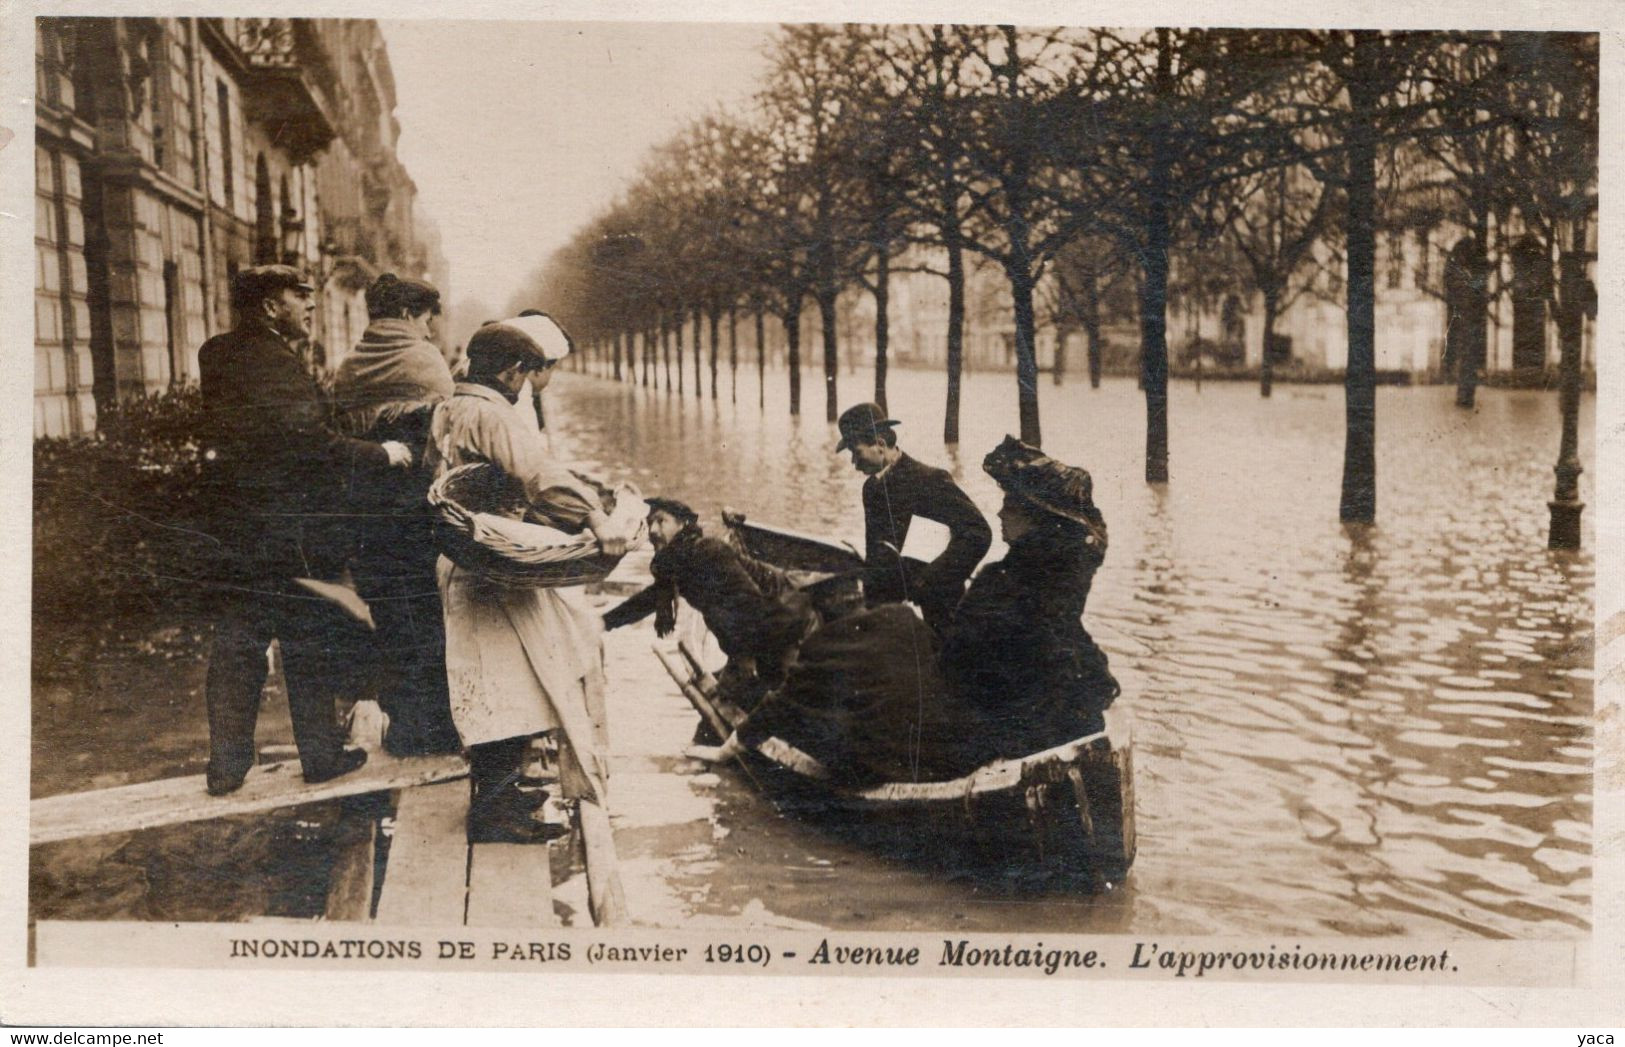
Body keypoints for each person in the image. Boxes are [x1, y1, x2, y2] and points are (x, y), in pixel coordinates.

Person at [197, 265, 416, 796]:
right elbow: (308, 443)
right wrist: (382, 452)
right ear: (271, 307)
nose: (310, 306)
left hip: (235, 525)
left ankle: (226, 766)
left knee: (238, 641)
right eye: (300, 297)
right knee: (308, 637)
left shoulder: (217, 353)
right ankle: (319, 755)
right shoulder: (272, 361)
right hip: (289, 527)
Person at [426, 313, 629, 845]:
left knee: (492, 680)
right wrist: (597, 520)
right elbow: (540, 475)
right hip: (494, 562)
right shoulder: (493, 415)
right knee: (509, 684)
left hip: (463, 555)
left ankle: (500, 793)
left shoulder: (448, 407)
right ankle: (494, 814)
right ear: (514, 372)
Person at [333, 273, 461, 757]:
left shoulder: (349, 367)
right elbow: (444, 444)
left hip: (363, 516)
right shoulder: (425, 363)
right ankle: (434, 730)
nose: (430, 330)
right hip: (415, 515)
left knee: (388, 618)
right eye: (427, 318)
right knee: (428, 616)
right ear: (409, 316)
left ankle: (403, 725)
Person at [938, 436, 1120, 758]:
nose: (999, 514)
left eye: (1009, 507)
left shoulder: (1000, 582)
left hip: (1014, 712)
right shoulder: (1068, 572)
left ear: (1036, 520)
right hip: (1064, 698)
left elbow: (960, 657)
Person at [602, 498, 815, 697]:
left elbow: (752, 605)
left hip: (787, 618)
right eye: (650, 523)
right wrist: (605, 622)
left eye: (661, 521)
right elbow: (650, 599)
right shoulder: (675, 564)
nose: (654, 530)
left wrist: (741, 662)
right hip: (766, 630)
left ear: (682, 524)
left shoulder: (708, 551)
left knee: (784, 700)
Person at [834, 402, 991, 633]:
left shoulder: (930, 480)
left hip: (937, 608)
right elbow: (876, 552)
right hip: (890, 609)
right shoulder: (871, 488)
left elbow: (978, 533)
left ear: (880, 444)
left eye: (857, 453)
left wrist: (929, 581)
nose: (854, 463)